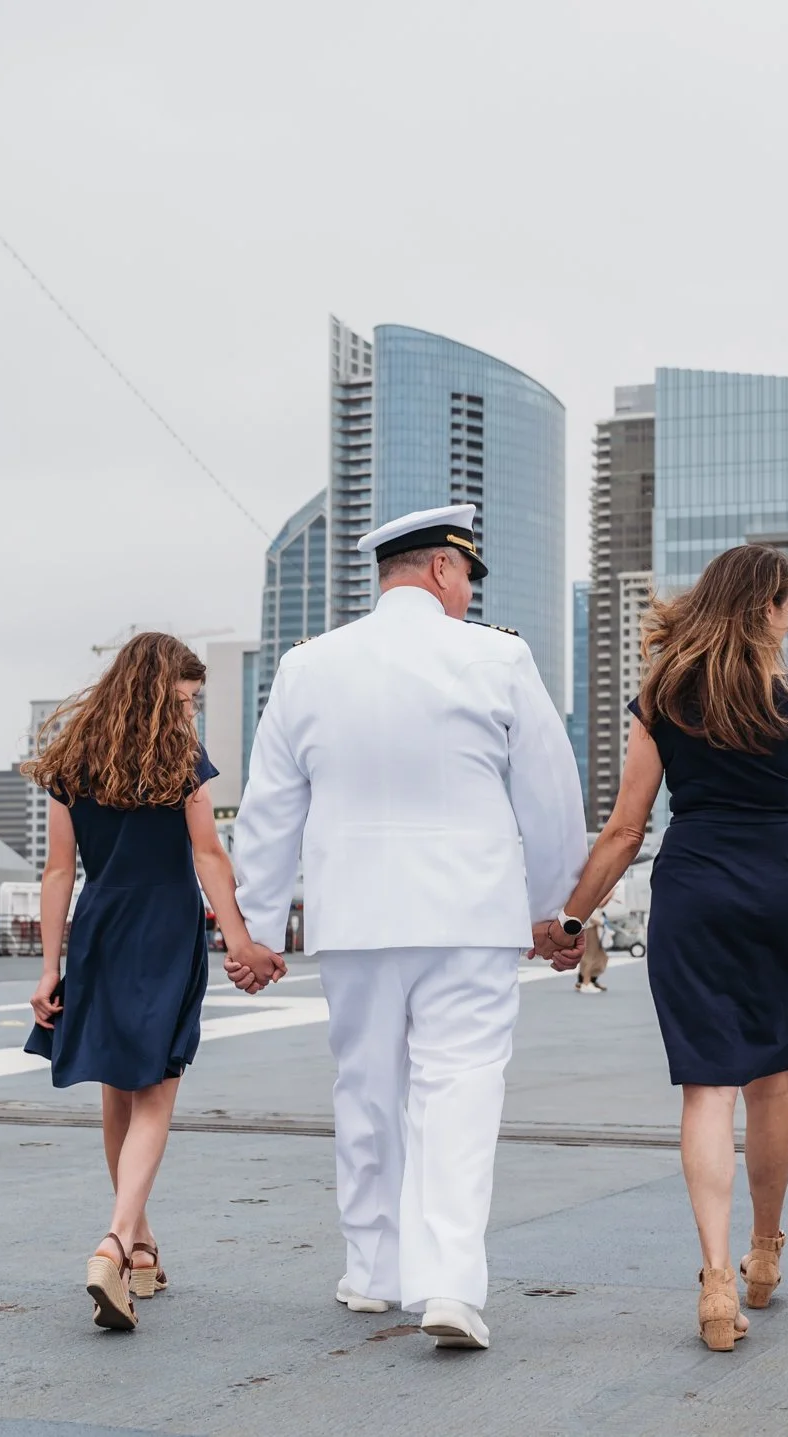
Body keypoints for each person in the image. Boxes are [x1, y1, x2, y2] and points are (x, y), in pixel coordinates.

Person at [232, 504, 586, 1353]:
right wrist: (553, 907)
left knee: (364, 1085)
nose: (467, 592)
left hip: (355, 916)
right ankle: (451, 1282)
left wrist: (259, 924)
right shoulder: (498, 656)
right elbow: (550, 795)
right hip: (470, 913)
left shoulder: (308, 664)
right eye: (465, 575)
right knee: (460, 1087)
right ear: (438, 571)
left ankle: (372, 1269)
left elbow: (271, 807)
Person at [554, 544, 788, 1353]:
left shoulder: (663, 698)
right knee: (772, 1082)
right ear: (764, 608)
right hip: (786, 889)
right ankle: (764, 1251)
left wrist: (571, 918)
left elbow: (624, 828)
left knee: (707, 1089)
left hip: (697, 890)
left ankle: (716, 1277)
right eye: (786, 601)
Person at [20, 633, 278, 1333]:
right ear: (163, 689)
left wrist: (49, 967)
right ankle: (112, 1240)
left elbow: (57, 871)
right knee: (156, 1093)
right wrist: (242, 939)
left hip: (100, 929)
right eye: (188, 698)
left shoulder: (73, 758)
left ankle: (139, 1247)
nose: (191, 712)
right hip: (165, 928)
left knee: (117, 1092)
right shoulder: (179, 757)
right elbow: (208, 853)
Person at [574, 908, 611, 994]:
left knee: (599, 957)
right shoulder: (592, 903)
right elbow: (591, 916)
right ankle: (585, 983)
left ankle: (589, 981)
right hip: (591, 929)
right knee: (590, 957)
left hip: (594, 929)